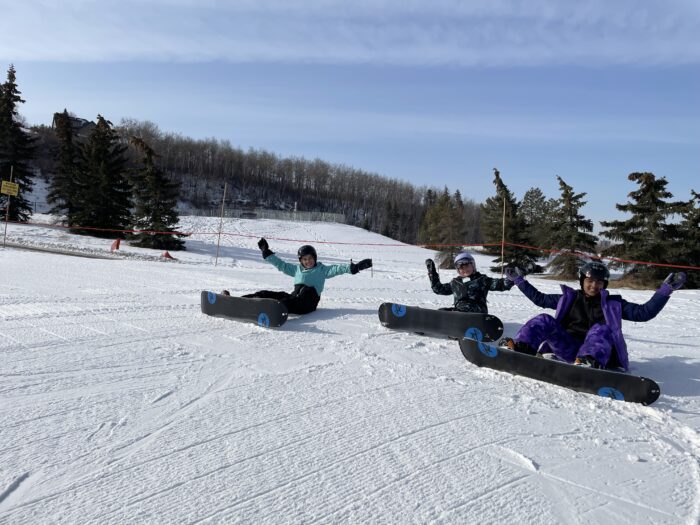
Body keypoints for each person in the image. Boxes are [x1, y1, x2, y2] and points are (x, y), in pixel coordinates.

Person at [502, 261, 686, 370]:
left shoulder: (614, 305)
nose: (594, 286)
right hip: (568, 348)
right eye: (590, 281)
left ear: (604, 284)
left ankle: (588, 363)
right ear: (582, 281)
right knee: (543, 319)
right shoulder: (568, 298)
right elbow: (540, 298)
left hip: (597, 355)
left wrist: (665, 290)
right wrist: (519, 281)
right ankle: (521, 348)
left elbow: (644, 313)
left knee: (601, 329)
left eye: (599, 282)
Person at [224, 238, 372, 315]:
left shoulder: (322, 270)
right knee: (267, 294)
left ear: (314, 258)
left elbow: (337, 269)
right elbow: (281, 265)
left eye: (310, 258)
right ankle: (238, 301)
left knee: (298, 295)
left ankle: (270, 309)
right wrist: (267, 253)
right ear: (301, 261)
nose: (308, 262)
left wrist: (355, 267)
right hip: (295, 298)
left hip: (308, 303)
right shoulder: (296, 270)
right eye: (304, 259)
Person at [425, 252, 514, 314]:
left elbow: (501, 284)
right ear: (458, 270)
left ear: (473, 265)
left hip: (478, 311)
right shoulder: (455, 283)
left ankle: (459, 320)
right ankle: (427, 324)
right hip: (459, 311)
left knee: (464, 310)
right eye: (461, 267)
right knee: (442, 311)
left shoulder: (482, 279)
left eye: (467, 265)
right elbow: (438, 289)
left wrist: (512, 278)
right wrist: (432, 273)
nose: (464, 269)